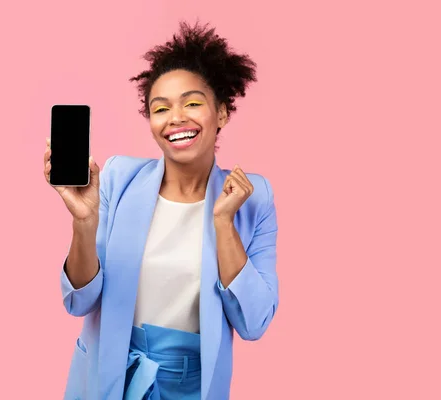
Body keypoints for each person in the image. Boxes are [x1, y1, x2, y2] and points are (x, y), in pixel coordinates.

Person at [44, 21, 279, 400]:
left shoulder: (253, 198)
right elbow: (79, 301)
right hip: (106, 375)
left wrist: (223, 223)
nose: (175, 118)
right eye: (160, 108)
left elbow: (254, 323)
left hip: (191, 387)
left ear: (221, 113)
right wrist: (83, 223)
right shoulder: (120, 178)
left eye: (192, 103)